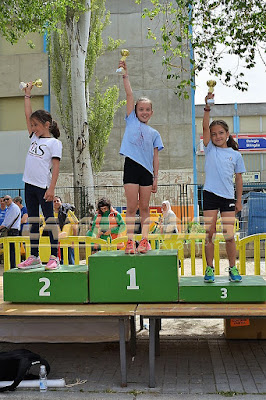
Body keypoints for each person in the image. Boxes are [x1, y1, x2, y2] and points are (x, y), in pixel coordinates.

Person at [118, 59, 164, 254]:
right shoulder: (131, 122)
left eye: (147, 110)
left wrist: (155, 177)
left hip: (146, 172)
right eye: (140, 109)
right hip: (131, 167)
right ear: (135, 112)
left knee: (144, 207)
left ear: (151, 113)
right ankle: (130, 241)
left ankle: (144, 240)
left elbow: (155, 157)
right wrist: (125, 75)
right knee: (131, 207)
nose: (144, 112)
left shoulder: (154, 134)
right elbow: (129, 94)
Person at [17, 82, 62, 271]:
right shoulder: (34, 138)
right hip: (29, 185)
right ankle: (34, 256)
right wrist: (27, 95)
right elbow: (28, 115)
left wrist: (51, 188)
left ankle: (54, 257)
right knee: (33, 222)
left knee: (50, 221)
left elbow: (56, 167)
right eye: (32, 125)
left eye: (36, 125)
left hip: (43, 187)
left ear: (47, 125)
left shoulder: (54, 143)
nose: (33, 127)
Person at [202, 92, 246, 283]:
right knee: (209, 234)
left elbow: (238, 180)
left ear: (227, 134)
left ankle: (233, 268)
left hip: (228, 198)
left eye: (221, 133)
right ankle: (209, 268)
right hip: (210, 195)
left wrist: (238, 201)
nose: (217, 136)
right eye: (214, 134)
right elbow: (204, 126)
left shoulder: (235, 155)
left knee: (229, 236)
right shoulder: (209, 149)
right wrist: (207, 108)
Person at [53, 196, 79, 265]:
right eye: (54, 201)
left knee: (71, 263)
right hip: (57, 244)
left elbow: (75, 225)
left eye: (57, 201)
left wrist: (74, 240)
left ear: (61, 202)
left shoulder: (68, 212)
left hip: (68, 243)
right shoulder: (50, 214)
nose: (56, 203)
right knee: (60, 264)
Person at [0, 195, 21, 268]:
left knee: (12, 250)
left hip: (13, 231)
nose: (5, 201)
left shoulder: (13, 208)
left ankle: (13, 266)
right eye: (4, 199)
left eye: (7, 199)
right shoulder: (10, 208)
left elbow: (7, 222)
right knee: (11, 250)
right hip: (11, 230)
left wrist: (1, 227)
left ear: (11, 199)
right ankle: (12, 265)